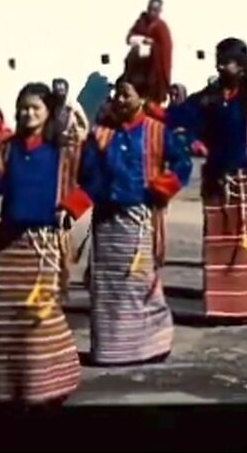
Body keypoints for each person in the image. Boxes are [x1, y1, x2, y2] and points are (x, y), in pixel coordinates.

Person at [0, 82, 88, 405]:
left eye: (35, 108)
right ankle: (15, 390)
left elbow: (91, 182)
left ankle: (52, 385)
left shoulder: (63, 150)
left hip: (43, 246)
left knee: (41, 318)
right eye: (23, 108)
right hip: (8, 247)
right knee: (9, 321)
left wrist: (70, 208)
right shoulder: (7, 149)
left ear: (47, 113)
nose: (28, 114)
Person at [168, 38, 247, 323]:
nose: (221, 66)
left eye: (228, 61)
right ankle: (221, 306)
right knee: (219, 246)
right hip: (217, 182)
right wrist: (151, 112)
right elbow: (181, 116)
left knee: (246, 246)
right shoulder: (210, 98)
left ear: (240, 65)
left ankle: (246, 307)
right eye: (219, 61)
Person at [78, 73, 191, 366]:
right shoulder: (100, 134)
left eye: (126, 94)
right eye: (116, 93)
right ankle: (111, 349)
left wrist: (161, 187)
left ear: (142, 98)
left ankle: (153, 343)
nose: (119, 99)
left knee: (142, 283)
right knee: (108, 288)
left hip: (141, 219)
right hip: (106, 223)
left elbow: (182, 163)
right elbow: (87, 175)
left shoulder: (157, 130)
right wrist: (73, 207)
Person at [124, 0, 173, 105]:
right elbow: (129, 38)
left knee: (150, 101)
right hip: (137, 67)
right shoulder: (141, 22)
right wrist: (141, 40)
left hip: (153, 70)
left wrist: (153, 46)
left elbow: (165, 50)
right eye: (150, 9)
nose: (152, 12)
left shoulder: (161, 27)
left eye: (155, 10)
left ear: (160, 11)